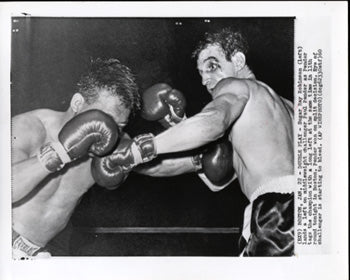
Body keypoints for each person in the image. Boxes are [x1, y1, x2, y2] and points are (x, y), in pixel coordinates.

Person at [102, 28, 295, 256]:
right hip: (306, 211)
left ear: (238, 60)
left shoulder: (235, 86)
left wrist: (140, 149)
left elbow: (214, 122)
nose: (205, 80)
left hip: (276, 214)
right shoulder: (286, 108)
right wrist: (127, 163)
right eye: (201, 72)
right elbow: (214, 176)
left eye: (212, 66)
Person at [11, 58, 140, 258]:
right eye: (103, 119)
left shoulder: (114, 143)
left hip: (50, 251)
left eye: (119, 126)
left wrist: (195, 156)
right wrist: (60, 152)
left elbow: (157, 166)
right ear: (78, 103)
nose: (107, 131)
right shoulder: (28, 127)